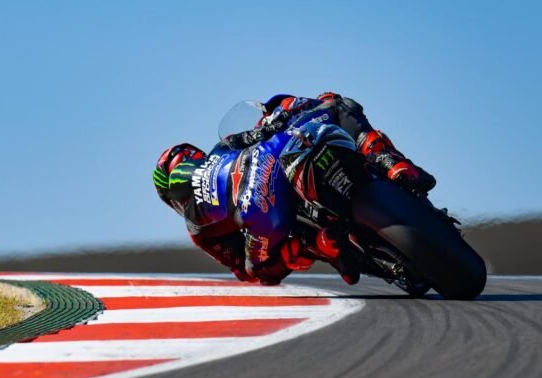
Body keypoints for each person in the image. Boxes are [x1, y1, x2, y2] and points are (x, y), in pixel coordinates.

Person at [152, 92, 435, 285]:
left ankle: (323, 245)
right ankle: (391, 162)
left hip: (265, 217)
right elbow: (259, 132)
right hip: (272, 177)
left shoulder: (198, 228)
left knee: (261, 267)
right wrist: (280, 118)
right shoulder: (221, 150)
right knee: (337, 104)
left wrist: (272, 252)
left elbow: (247, 271)